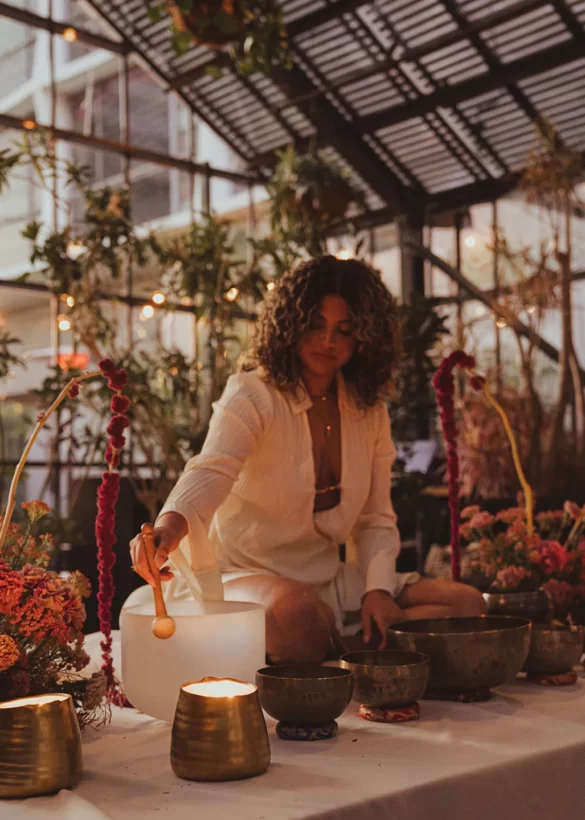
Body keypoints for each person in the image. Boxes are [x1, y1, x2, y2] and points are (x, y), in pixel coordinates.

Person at [129, 256, 485, 664]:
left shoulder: (369, 411)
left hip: (325, 581)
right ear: (290, 324)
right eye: (316, 324)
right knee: (298, 617)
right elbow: (212, 468)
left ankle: (336, 648)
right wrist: (168, 527)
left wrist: (378, 592)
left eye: (344, 330)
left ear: (365, 337)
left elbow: (376, 520)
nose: (328, 341)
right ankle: (350, 648)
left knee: (466, 604)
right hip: (242, 576)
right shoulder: (253, 393)